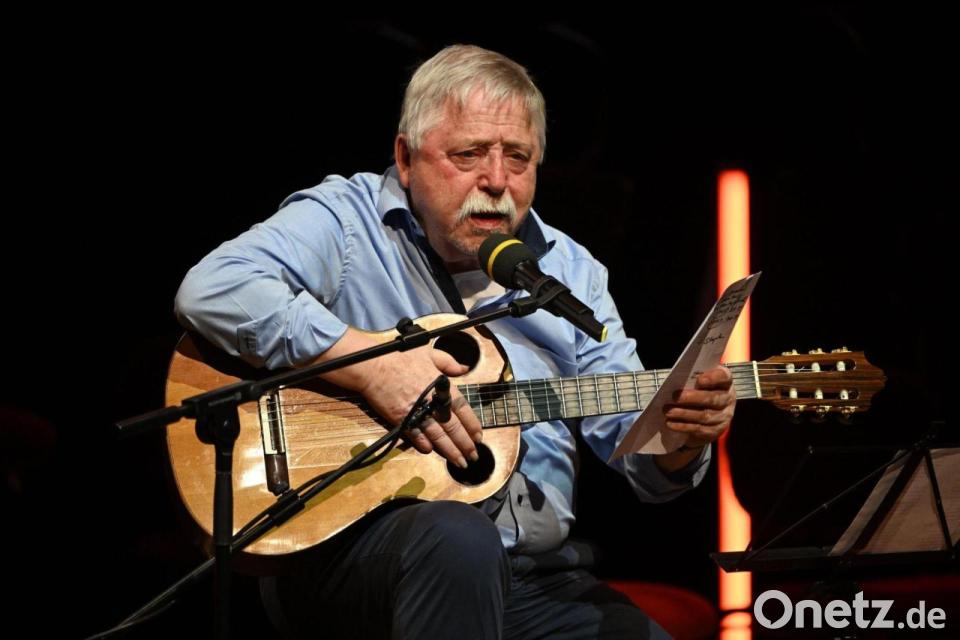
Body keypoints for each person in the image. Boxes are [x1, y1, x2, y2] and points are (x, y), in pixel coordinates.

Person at [175, 44, 736, 640]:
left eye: (518, 158)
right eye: (468, 155)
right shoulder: (346, 221)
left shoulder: (571, 272)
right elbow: (214, 288)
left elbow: (644, 463)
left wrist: (680, 436)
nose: (495, 181)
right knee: (458, 539)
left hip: (531, 578)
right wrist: (371, 370)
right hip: (351, 560)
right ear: (406, 157)